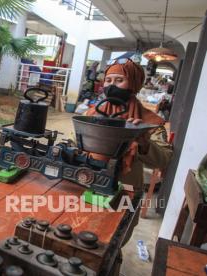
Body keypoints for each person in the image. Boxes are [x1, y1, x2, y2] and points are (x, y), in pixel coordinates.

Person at [86, 58, 172, 274]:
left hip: (125, 191)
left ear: (133, 84)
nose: (111, 85)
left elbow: (164, 160)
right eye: (108, 80)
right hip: (87, 185)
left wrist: (143, 141)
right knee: (83, 234)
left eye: (119, 80)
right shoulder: (92, 113)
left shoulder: (151, 121)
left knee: (112, 243)